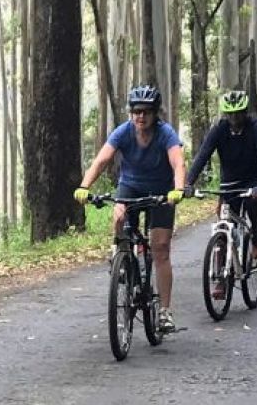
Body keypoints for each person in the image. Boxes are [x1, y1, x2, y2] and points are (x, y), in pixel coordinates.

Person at [74, 84, 185, 334]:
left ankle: (165, 312)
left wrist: (177, 190)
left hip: (161, 191)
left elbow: (178, 163)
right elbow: (101, 160)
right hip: (130, 187)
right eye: (136, 111)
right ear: (130, 113)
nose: (141, 116)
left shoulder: (165, 133)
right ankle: (120, 255)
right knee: (119, 215)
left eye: (146, 111)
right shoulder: (122, 132)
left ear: (155, 113)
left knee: (160, 249)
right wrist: (84, 186)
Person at [185, 89, 257, 265]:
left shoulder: (256, 127)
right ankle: (219, 276)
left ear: (245, 113)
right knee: (223, 224)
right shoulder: (219, 129)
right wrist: (187, 182)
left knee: (253, 204)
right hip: (229, 182)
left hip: (252, 180)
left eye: (238, 114)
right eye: (230, 114)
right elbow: (203, 155)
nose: (234, 118)